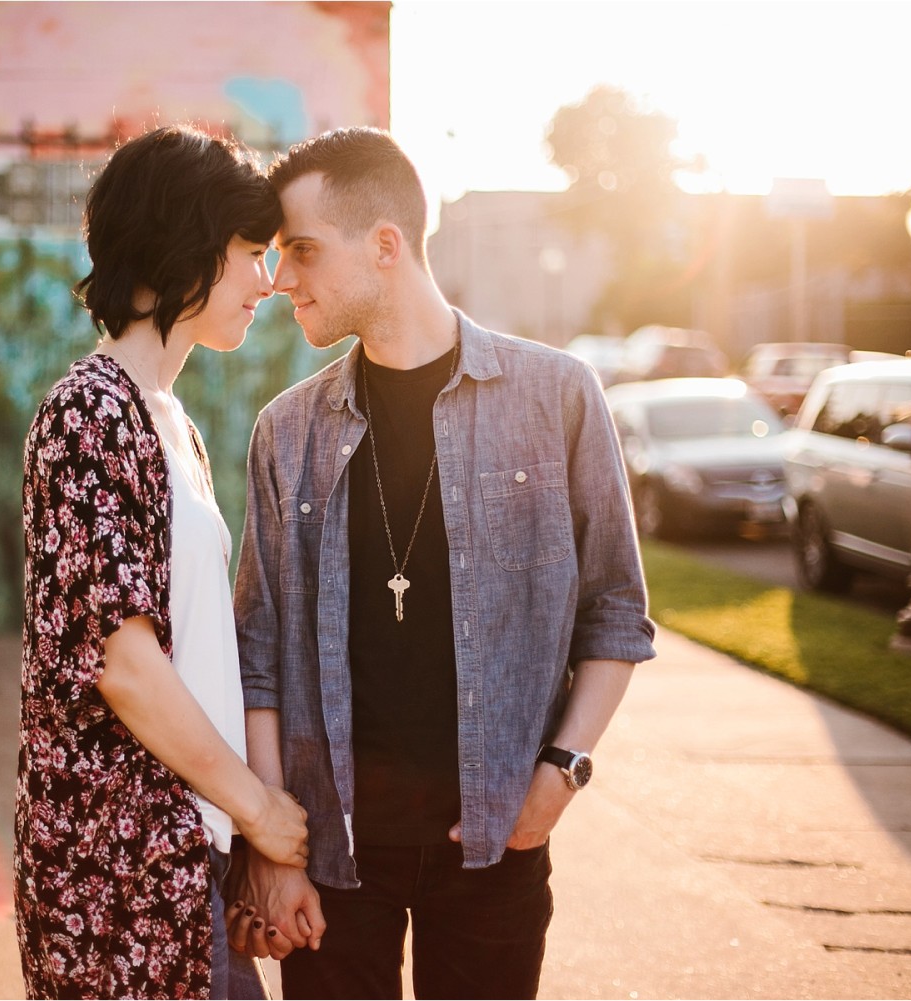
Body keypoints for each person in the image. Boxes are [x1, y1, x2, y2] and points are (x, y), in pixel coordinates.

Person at [227, 127, 657, 999]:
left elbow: (616, 609)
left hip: (496, 846)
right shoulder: (287, 431)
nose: (280, 280)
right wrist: (272, 851)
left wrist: (561, 775)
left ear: (385, 246)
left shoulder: (558, 396)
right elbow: (258, 655)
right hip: (332, 859)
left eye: (301, 250)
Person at [15, 125, 310, 1000]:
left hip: (180, 862)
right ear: (183, 246)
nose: (269, 278)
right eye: (250, 251)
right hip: (116, 880)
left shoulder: (168, 423)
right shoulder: (88, 414)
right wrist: (258, 807)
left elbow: (197, 657)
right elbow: (124, 664)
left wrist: (233, 833)